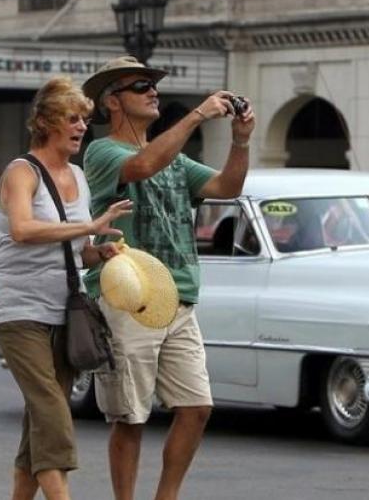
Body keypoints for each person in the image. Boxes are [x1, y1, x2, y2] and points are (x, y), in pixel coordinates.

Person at [81, 56, 255, 500]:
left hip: (178, 294)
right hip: (128, 294)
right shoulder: (102, 151)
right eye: (141, 86)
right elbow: (140, 167)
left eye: (153, 84)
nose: (152, 91)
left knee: (197, 407)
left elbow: (226, 188)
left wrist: (240, 141)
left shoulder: (175, 159)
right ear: (112, 102)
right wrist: (198, 114)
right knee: (130, 415)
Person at [0, 75, 133, 500]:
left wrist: (99, 251)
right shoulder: (21, 172)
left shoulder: (77, 174)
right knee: (51, 410)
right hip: (19, 310)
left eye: (84, 119)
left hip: (64, 311)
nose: (82, 126)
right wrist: (88, 225)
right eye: (73, 118)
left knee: (38, 425)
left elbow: (78, 250)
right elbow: (22, 229)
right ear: (48, 123)